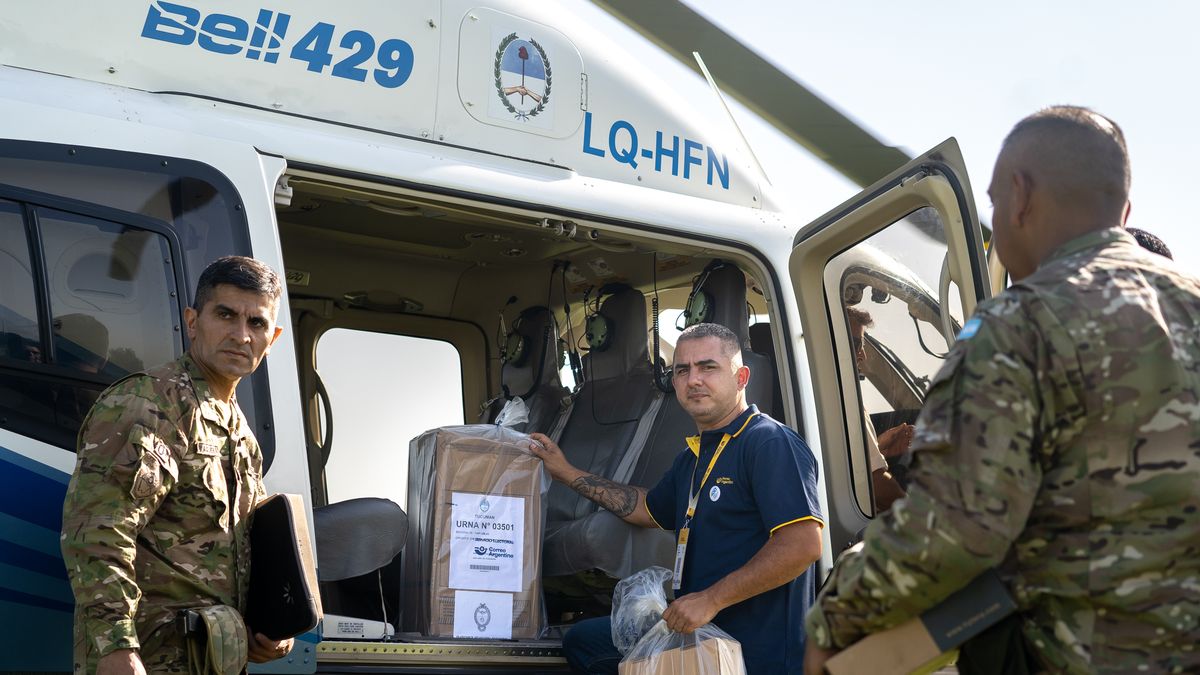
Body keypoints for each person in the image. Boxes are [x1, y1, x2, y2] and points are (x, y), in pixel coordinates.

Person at [804, 106, 1200, 674]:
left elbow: (954, 529)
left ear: (1019, 196)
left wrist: (835, 619)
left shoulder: (1019, 324)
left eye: (992, 202)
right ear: (1124, 211)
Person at [531, 322, 824, 674]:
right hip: (698, 636)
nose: (693, 379)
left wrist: (710, 600)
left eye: (708, 367)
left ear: (742, 377)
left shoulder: (769, 442)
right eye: (682, 370)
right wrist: (565, 472)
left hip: (751, 653)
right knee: (584, 641)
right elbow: (645, 507)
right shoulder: (694, 457)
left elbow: (803, 544)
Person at [61, 256, 295, 674]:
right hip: (147, 658)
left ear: (271, 338)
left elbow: (249, 549)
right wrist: (116, 646)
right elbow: (98, 532)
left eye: (256, 323)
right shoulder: (149, 404)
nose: (241, 335)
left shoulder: (240, 433)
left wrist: (275, 627)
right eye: (225, 315)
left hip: (210, 657)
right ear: (192, 321)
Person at [844, 306, 910, 511]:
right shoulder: (844, 400)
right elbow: (874, 485)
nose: (862, 355)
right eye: (856, 345)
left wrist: (878, 449)